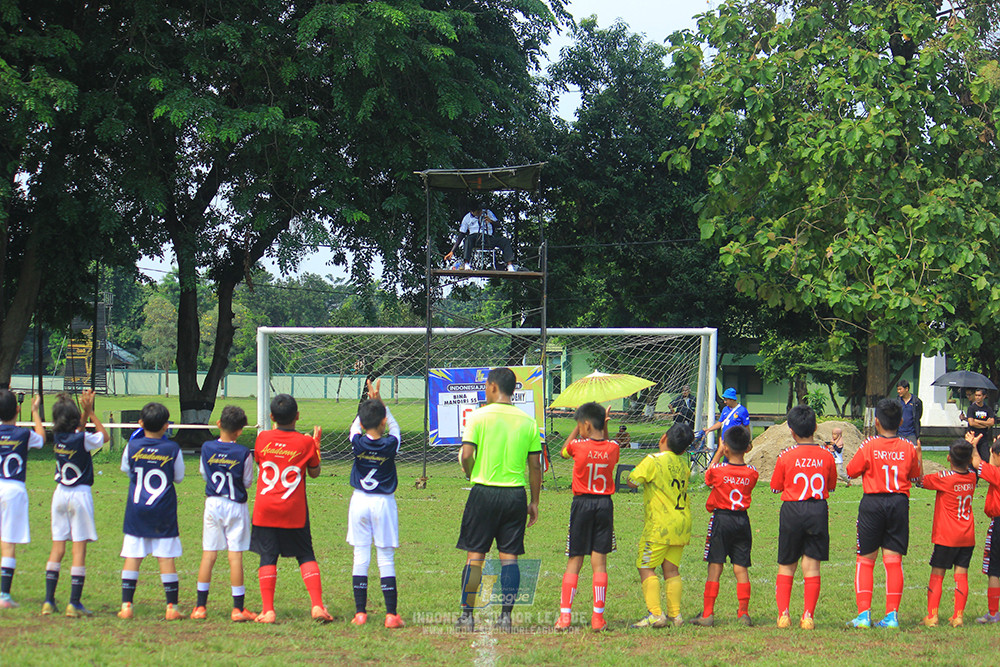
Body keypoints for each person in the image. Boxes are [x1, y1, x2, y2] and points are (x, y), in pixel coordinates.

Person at [455, 367, 542, 634]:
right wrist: (535, 501)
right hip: (515, 495)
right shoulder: (528, 421)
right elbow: (535, 465)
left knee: (475, 556)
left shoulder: (478, 416)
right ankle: (505, 617)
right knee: (509, 558)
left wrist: (470, 471)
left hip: (483, 492)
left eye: (485, 386)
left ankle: (467, 616)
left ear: (493, 387)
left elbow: (467, 453)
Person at [250, 393, 332, 624]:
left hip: (265, 509)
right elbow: (314, 473)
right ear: (297, 416)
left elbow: (260, 462)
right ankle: (317, 606)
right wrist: (315, 447)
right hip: (293, 509)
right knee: (305, 553)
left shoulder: (262, 438)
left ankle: (268, 611)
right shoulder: (305, 442)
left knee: (268, 555)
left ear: (271, 416)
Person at [845, 398, 922, 629]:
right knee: (893, 560)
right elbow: (915, 475)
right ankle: (891, 616)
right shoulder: (908, 447)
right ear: (900, 421)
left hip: (873, 504)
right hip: (899, 503)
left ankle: (863, 615)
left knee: (866, 560)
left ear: (876, 422)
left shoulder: (869, 445)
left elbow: (851, 471)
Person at [770, 404, 838, 629]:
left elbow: (775, 486)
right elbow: (831, 485)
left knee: (787, 564)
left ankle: (783, 615)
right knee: (812, 566)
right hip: (817, 510)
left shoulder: (786, 455)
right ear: (816, 427)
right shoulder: (826, 455)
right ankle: (808, 616)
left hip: (791, 510)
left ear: (791, 431)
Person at [554, 402, 619, 632]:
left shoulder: (578, 447)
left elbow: (563, 452)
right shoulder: (613, 447)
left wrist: (576, 430)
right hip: (604, 505)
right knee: (599, 563)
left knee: (575, 560)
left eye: (579, 425)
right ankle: (597, 618)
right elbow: (608, 446)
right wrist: (603, 427)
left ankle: (565, 617)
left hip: (581, 505)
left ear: (586, 425)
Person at [42, 391, 109, 617]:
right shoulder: (83, 438)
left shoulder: (59, 439)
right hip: (80, 495)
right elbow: (104, 436)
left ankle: (48, 601)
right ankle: (74, 603)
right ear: (75, 419)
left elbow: (76, 432)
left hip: (59, 494)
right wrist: (90, 413)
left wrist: (82, 416)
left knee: (57, 548)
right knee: (78, 549)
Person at [118, 402, 185, 620]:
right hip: (163, 512)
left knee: (133, 556)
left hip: (136, 510)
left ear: (140, 423)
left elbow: (126, 470)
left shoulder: (132, 446)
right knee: (165, 558)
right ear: (166, 426)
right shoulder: (172, 449)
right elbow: (178, 477)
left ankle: (126, 605)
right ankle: (171, 608)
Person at [190, 405, 257, 622]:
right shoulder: (243, 452)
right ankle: (238, 609)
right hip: (235, 505)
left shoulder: (207, 447)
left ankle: (200, 607)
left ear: (219, 424)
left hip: (213, 503)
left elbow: (203, 473)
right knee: (235, 556)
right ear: (240, 431)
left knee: (208, 554)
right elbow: (247, 482)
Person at [347, 379, 404, 629]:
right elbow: (395, 428)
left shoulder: (356, 442)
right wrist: (381, 402)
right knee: (385, 556)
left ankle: (360, 613)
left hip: (359, 501)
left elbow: (356, 425)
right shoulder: (391, 444)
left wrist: (369, 405)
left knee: (360, 553)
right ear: (383, 422)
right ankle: (391, 615)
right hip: (383, 503)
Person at [627, 422, 694, 628]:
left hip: (659, 527)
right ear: (684, 449)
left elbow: (632, 481)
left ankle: (656, 614)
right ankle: (676, 616)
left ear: (663, 438)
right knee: (672, 570)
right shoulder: (684, 465)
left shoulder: (653, 460)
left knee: (645, 566)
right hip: (682, 523)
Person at [690, 425, 757, 627]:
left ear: (725, 447)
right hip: (742, 521)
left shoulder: (718, 471)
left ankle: (708, 614)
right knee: (741, 567)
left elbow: (708, 476)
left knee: (715, 565)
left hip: (721, 520)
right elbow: (748, 479)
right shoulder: (752, 473)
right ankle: (743, 613)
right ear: (748, 448)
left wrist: (718, 452)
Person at [914, 436, 978, 627]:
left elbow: (920, 481)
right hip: (967, 535)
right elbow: (973, 466)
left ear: (949, 458)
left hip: (946, 536)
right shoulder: (973, 477)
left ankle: (932, 615)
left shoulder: (944, 479)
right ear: (968, 460)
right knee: (961, 574)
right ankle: (958, 615)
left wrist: (919, 455)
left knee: (937, 574)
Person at [0, 390, 44, 609]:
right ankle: (4, 596)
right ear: (18, 409)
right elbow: (42, 439)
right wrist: (35, 412)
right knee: (8, 544)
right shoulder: (23, 435)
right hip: (14, 490)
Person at [971, 439, 1000, 623]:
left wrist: (974, 446)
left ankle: (993, 612)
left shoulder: (996, 473)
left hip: (998, 524)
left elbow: (975, 462)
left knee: (994, 570)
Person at [442, 202, 517, 271]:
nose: (480, 213)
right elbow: (461, 234)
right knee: (468, 239)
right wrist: (452, 251)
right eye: (477, 212)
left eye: (480, 210)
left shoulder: (487, 213)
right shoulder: (467, 218)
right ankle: (467, 264)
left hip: (488, 237)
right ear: (472, 211)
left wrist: (491, 221)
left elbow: (499, 225)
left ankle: (509, 265)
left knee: (504, 241)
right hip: (475, 238)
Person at [961, 389, 995, 462]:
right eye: (976, 395)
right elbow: (971, 423)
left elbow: (991, 422)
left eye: (979, 395)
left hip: (983, 437)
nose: (977, 397)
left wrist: (977, 421)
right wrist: (985, 423)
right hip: (972, 436)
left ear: (984, 396)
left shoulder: (988, 409)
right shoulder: (971, 408)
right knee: (971, 458)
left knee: (985, 458)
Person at [896, 379, 922, 447]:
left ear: (906, 389)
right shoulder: (897, 402)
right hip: (899, 433)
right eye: (898, 389)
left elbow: (918, 415)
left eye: (900, 389)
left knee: (913, 453)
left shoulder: (916, 402)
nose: (898, 391)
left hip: (911, 434)